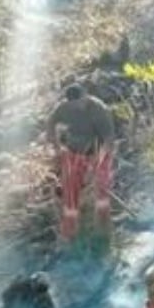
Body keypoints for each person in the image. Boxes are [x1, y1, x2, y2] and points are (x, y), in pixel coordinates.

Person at [47, 83, 117, 243]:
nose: (77, 107)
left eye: (79, 102)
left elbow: (108, 140)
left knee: (102, 193)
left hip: (99, 151)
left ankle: (104, 233)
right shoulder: (63, 108)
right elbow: (50, 123)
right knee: (70, 191)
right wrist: (57, 147)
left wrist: (97, 165)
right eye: (73, 104)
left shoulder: (99, 110)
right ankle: (69, 234)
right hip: (74, 152)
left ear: (85, 95)